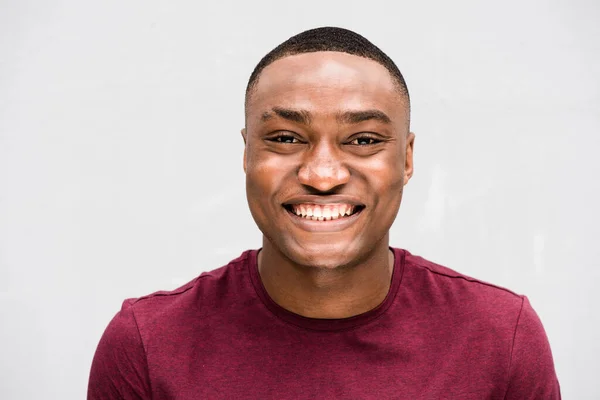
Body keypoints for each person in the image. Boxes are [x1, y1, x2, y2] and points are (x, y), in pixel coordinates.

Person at [88, 27, 560, 399]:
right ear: (248, 155)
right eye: (286, 138)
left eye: (363, 140)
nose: (322, 174)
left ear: (407, 159)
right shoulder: (147, 344)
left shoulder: (501, 337)